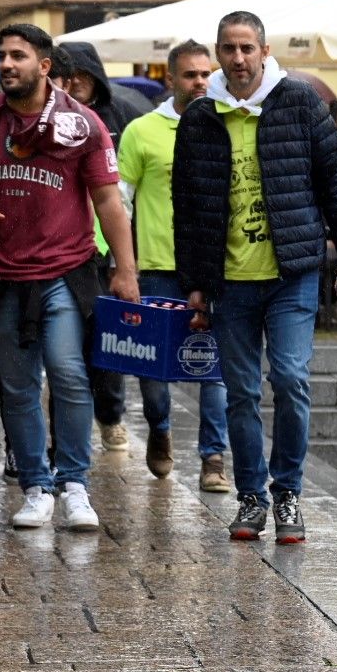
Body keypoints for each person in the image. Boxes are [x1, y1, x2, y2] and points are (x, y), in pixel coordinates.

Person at [173, 11, 337, 544]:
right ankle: (252, 496)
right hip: (229, 280)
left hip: (292, 271)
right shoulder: (201, 117)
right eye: (228, 49)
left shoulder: (298, 102)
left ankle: (289, 492)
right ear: (218, 55)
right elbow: (188, 206)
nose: (238, 58)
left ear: (264, 50)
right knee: (241, 392)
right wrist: (196, 282)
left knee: (293, 379)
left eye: (247, 48)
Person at [0, 24, 139, 532]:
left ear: (45, 66)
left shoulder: (83, 125)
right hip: (3, 274)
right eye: (1, 56)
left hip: (66, 270)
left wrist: (125, 272)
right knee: (16, 385)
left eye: (19, 56)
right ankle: (36, 486)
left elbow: (109, 200)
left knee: (67, 372)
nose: (7, 64)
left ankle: (76, 484)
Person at [117, 41, 230, 490]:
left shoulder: (227, 126)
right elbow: (119, 202)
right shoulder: (141, 131)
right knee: (153, 369)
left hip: (218, 268)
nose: (200, 82)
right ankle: (159, 428)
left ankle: (213, 458)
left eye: (206, 74)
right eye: (190, 75)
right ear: (171, 79)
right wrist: (121, 262)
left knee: (215, 366)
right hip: (159, 266)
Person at [57, 40, 150, 455]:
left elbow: (125, 194)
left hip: (105, 249)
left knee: (107, 340)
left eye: (83, 74)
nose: (75, 83)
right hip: (62, 249)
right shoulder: (49, 120)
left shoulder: (120, 118)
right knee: (65, 348)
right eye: (68, 75)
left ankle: (111, 415)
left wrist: (124, 260)